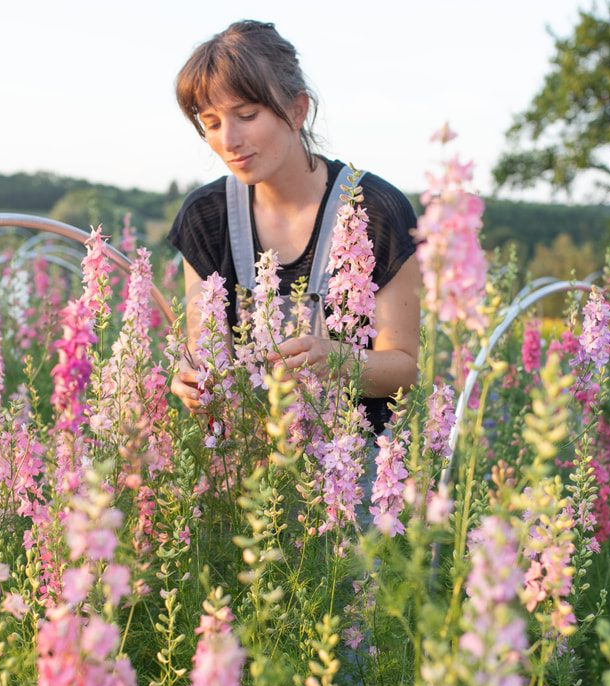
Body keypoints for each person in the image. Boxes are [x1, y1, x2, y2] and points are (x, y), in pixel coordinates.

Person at [166, 20, 422, 435]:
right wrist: (194, 378)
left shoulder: (375, 209)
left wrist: (338, 359)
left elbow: (405, 368)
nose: (228, 140)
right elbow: (207, 350)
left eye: (246, 115)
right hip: (250, 478)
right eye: (211, 122)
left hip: (356, 476)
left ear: (297, 109)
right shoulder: (205, 216)